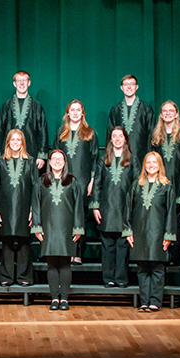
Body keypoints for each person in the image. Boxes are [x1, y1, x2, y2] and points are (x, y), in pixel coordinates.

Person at [32, 150, 85, 311]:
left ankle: (65, 299)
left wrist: (77, 228)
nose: (57, 161)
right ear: (49, 161)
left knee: (65, 264)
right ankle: (54, 298)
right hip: (48, 228)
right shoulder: (41, 181)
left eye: (60, 159)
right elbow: (35, 205)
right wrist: (37, 226)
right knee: (52, 265)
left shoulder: (72, 181)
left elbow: (78, 207)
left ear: (64, 161)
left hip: (67, 229)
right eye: (54, 159)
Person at [124, 152, 176, 312]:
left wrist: (168, 234)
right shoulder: (136, 185)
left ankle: (155, 301)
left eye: (154, 162)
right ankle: (144, 301)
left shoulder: (167, 186)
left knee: (157, 268)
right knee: (142, 268)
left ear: (160, 165)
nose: (151, 165)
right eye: (148, 162)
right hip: (140, 232)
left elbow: (171, 212)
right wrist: (128, 231)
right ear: (144, 166)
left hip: (159, 232)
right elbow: (128, 209)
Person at [0, 130, 37, 287]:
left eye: (19, 140)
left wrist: (33, 209)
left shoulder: (30, 162)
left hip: (24, 208)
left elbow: (36, 188)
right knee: (7, 242)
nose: (16, 142)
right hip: (5, 208)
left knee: (24, 243)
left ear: (23, 142)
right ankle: (6, 277)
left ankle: (25, 276)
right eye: (13, 140)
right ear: (8, 142)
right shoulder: (0, 163)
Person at [54, 99, 98, 264]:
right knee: (65, 216)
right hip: (64, 181)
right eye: (72, 110)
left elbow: (95, 158)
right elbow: (55, 156)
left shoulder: (90, 132)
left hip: (83, 181)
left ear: (82, 113)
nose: (75, 112)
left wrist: (92, 180)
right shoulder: (60, 132)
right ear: (67, 113)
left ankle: (78, 252)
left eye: (78, 110)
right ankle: (66, 252)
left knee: (80, 218)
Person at [150, 101, 180, 266]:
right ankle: (162, 254)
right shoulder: (155, 135)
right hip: (160, 185)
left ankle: (175, 257)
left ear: (176, 114)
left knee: (177, 223)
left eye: (171, 111)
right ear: (161, 114)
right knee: (160, 221)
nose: (167, 113)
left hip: (179, 184)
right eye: (164, 111)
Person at [92, 127, 135, 288]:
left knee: (123, 246)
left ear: (125, 139)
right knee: (108, 246)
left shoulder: (132, 159)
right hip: (107, 209)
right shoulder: (103, 159)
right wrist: (95, 206)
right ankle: (108, 278)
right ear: (110, 139)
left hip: (125, 209)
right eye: (114, 136)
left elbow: (137, 183)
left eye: (120, 136)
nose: (117, 139)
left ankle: (121, 279)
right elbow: (97, 183)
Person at [0, 71, 49, 168]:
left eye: (24, 80)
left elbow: (42, 131)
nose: (21, 83)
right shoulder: (6, 106)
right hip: (8, 154)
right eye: (18, 80)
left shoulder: (37, 106)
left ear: (29, 83)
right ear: (14, 83)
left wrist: (41, 155)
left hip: (31, 153)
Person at [107, 74, 156, 171]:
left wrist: (150, 157)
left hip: (141, 157)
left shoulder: (146, 109)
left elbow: (152, 134)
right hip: (120, 158)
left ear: (137, 87)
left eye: (132, 84)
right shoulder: (115, 110)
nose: (129, 87)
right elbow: (110, 134)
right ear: (121, 88)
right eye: (126, 84)